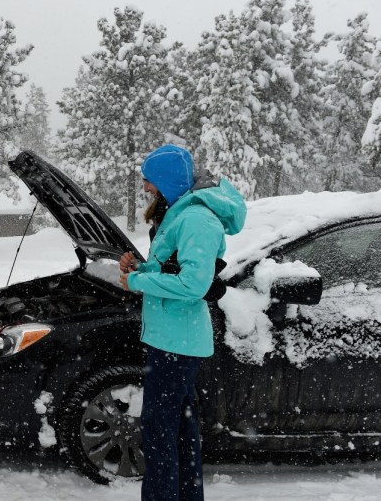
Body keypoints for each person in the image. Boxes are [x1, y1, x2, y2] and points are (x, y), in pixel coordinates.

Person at [118, 145, 246, 501]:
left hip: (178, 342)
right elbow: (174, 270)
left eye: (149, 181)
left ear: (167, 182)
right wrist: (140, 269)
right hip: (172, 340)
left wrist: (138, 283)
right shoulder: (180, 213)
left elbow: (194, 285)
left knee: (159, 433)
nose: (146, 188)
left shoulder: (195, 220)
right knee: (178, 432)